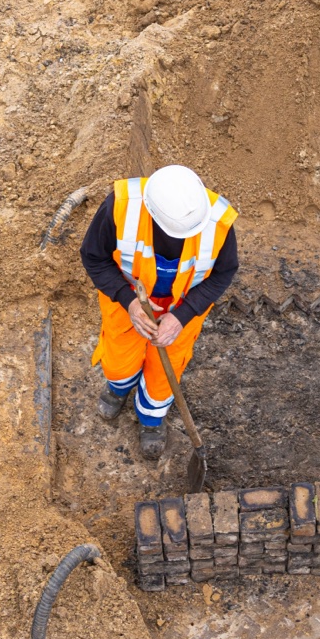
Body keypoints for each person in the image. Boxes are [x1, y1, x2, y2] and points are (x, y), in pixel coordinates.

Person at [79, 164, 239, 460]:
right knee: (118, 361)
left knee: (164, 373)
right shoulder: (121, 206)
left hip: (183, 312)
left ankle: (151, 417)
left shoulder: (217, 220)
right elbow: (94, 258)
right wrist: (128, 302)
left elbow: (223, 273)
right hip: (127, 303)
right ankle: (118, 388)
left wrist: (182, 315)